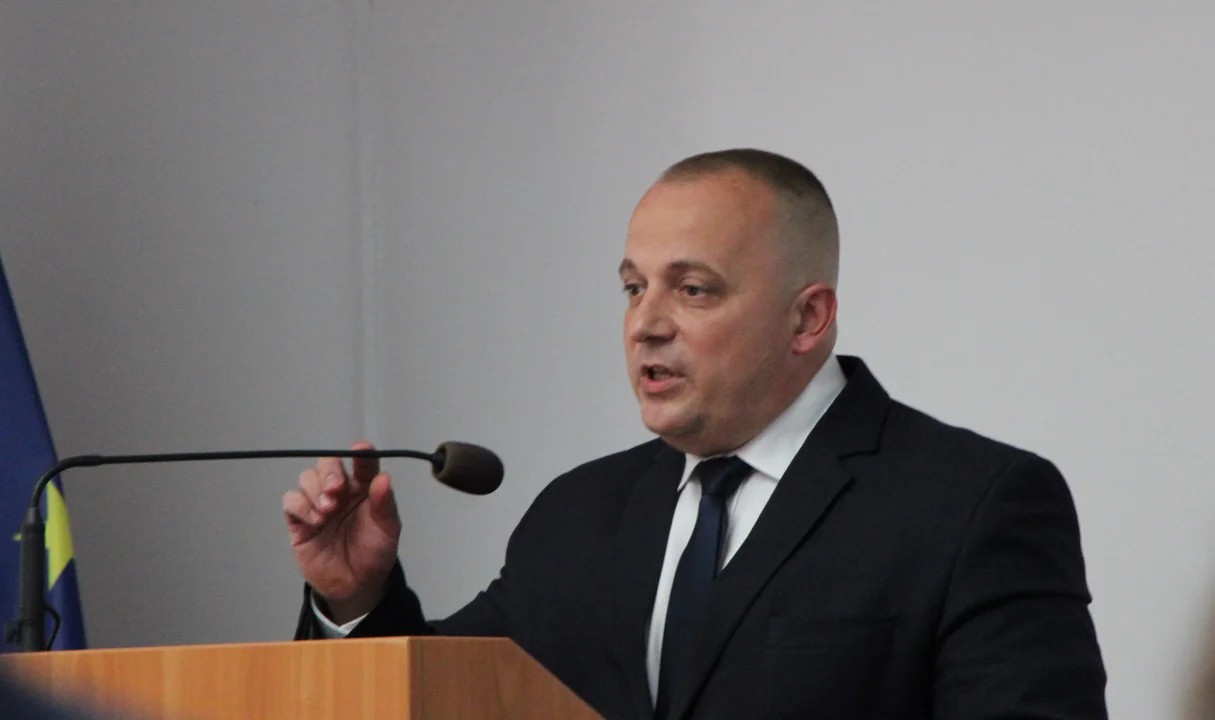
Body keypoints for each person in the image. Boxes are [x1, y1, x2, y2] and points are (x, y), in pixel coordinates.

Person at [283, 149, 1108, 719]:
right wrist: (353, 601)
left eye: (693, 290)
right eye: (632, 288)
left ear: (807, 318)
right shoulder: (579, 515)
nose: (644, 323)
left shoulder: (970, 504)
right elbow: (443, 698)